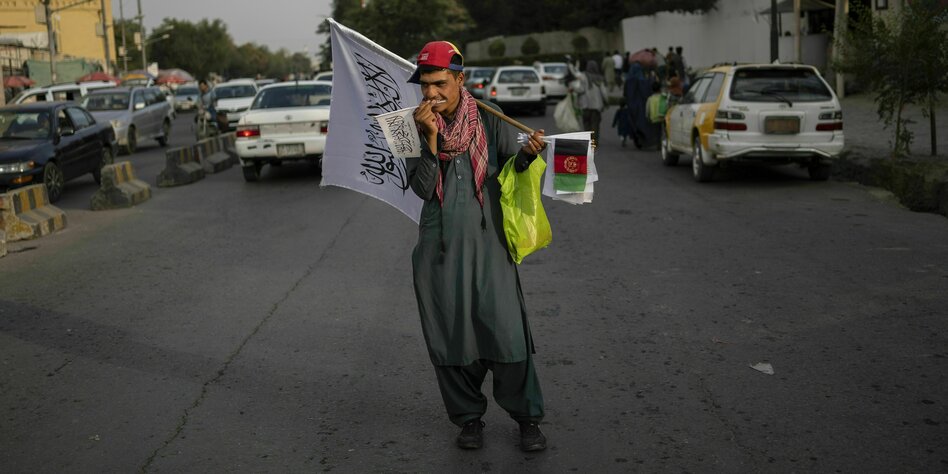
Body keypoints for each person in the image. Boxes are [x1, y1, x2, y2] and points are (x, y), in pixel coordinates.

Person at [406, 40, 549, 453]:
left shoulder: (490, 117)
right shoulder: (409, 126)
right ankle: (468, 418)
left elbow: (511, 170)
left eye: (439, 83)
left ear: (459, 79)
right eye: (425, 85)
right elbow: (421, 188)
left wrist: (527, 156)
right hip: (439, 248)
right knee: (451, 334)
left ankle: (527, 419)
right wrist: (429, 138)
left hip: (490, 245)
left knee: (506, 331)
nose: (431, 93)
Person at [569, 60, 608, 145]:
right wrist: (606, 101)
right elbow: (604, 92)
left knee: (587, 124)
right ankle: (594, 141)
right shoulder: (599, 78)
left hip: (586, 105)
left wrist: (573, 89)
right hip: (597, 106)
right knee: (595, 125)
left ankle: (588, 141)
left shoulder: (584, 76)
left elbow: (581, 89)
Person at [623, 61, 652, 149]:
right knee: (642, 122)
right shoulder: (642, 80)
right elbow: (646, 92)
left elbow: (625, 94)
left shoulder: (628, 81)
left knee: (633, 122)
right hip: (641, 105)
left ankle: (636, 138)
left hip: (631, 105)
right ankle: (643, 139)